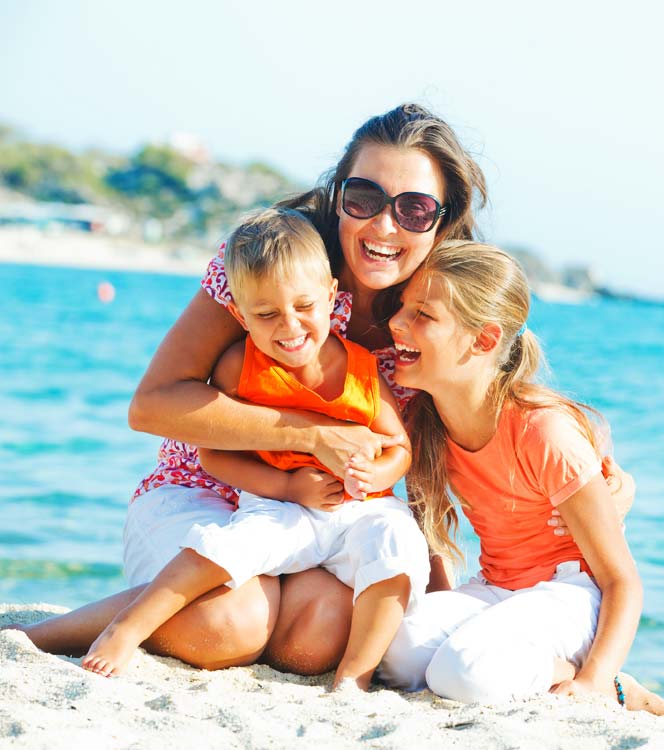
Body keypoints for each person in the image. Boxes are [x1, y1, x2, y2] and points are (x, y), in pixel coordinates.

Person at [15, 103, 633, 676]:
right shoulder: (271, 267)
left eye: (414, 209)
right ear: (339, 196)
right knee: (229, 625)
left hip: (333, 518)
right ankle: (46, 633)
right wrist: (312, 434)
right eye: (364, 196)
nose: (384, 224)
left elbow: (453, 450)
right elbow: (151, 406)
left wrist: (588, 483)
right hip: (207, 485)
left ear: (441, 223)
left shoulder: (432, 319)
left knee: (316, 639)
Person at [80, 207, 429, 689]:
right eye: (266, 315)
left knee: (387, 553)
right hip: (278, 504)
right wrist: (287, 484)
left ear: (332, 297)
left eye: (304, 308)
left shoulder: (362, 367)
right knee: (230, 552)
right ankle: (124, 626)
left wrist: (381, 474)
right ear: (240, 314)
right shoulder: (240, 366)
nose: (289, 327)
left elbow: (399, 446)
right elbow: (212, 454)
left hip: (355, 511)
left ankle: (355, 677)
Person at [377, 241, 664, 714]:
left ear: (484, 340)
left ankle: (608, 684)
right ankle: (494, 658)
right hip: (499, 588)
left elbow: (622, 582)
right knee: (395, 650)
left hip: (573, 595)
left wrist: (594, 681)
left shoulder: (544, 432)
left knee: (462, 674)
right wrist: (443, 624)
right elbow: (428, 537)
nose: (396, 323)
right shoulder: (424, 424)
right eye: (403, 308)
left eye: (423, 315)